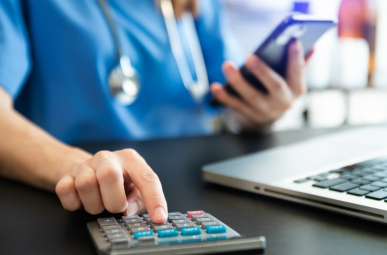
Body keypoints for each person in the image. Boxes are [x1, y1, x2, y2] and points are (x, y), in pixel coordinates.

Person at [0, 0, 309, 223]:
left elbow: (226, 100)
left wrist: (260, 113)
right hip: (94, 202)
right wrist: (79, 167)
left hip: (202, 193)